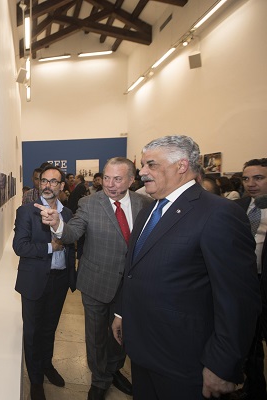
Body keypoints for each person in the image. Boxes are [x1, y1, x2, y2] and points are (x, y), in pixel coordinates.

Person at [110, 135, 260, 399]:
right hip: (143, 350)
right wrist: (122, 312)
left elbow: (237, 299)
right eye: (143, 165)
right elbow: (133, 269)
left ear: (181, 166)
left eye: (150, 165)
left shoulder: (218, 213)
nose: (142, 172)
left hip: (185, 361)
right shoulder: (148, 210)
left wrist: (222, 365)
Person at [36, 157, 152, 400]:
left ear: (132, 180)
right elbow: (72, 232)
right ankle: (99, 380)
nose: (110, 184)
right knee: (97, 336)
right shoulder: (89, 203)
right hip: (95, 282)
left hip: (130, 286)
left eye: (118, 179)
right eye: (107, 177)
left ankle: (114, 370)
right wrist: (58, 225)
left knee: (121, 335)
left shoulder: (146, 203)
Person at [13, 165, 77, 400]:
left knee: (50, 329)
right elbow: (19, 246)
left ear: (61, 186)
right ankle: (36, 379)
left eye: (53, 181)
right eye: (44, 180)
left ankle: (47, 365)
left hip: (59, 280)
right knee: (32, 332)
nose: (47, 185)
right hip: (34, 281)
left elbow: (73, 243)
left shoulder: (68, 214)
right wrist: (52, 247)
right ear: (39, 183)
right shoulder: (26, 211)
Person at [231, 158, 267, 400]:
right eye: (246, 178)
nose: (251, 184)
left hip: (264, 281)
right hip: (241, 282)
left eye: (258, 178)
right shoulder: (238, 205)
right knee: (248, 340)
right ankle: (254, 388)